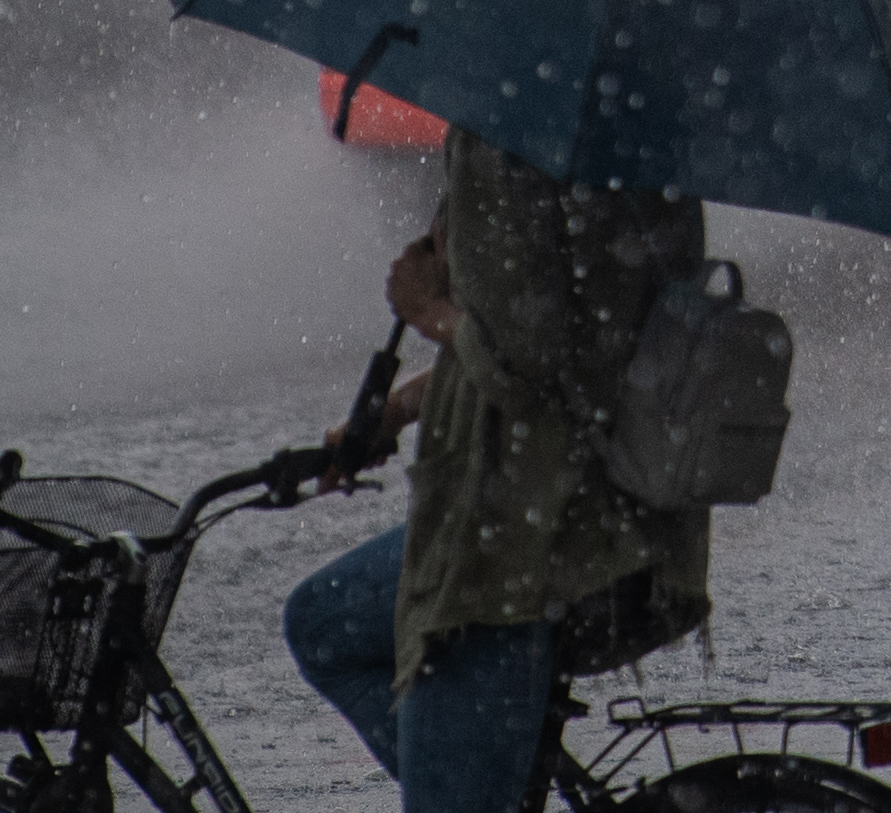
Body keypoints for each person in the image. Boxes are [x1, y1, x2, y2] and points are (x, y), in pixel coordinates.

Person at [284, 133, 712, 811]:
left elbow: (522, 361)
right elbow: (587, 351)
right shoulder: (639, 139)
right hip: (631, 520)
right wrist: (398, 408)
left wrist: (428, 310)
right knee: (322, 620)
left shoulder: (503, 144)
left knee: (323, 626)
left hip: (515, 552)